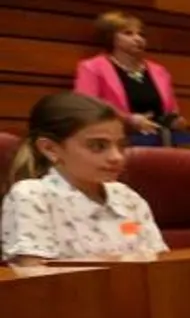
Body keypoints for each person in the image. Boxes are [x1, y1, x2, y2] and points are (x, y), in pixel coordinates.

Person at [3, 92, 165, 266]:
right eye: (98, 146)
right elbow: (36, 279)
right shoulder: (32, 195)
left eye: (121, 145)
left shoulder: (127, 197)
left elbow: (161, 264)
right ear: (50, 149)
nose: (117, 157)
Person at [71, 12, 180, 135]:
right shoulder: (92, 67)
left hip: (159, 141)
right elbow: (86, 106)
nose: (138, 39)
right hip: (113, 140)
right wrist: (129, 120)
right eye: (128, 33)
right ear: (111, 37)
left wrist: (175, 121)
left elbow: (172, 110)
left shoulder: (159, 71)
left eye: (141, 35)